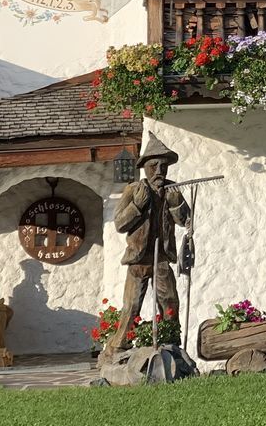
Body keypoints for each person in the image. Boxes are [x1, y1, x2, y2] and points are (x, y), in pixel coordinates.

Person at [100, 133, 188, 362]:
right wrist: (138, 205)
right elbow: (120, 223)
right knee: (132, 305)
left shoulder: (172, 190)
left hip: (162, 258)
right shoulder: (134, 189)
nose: (159, 170)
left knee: (169, 301)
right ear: (145, 167)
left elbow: (186, 221)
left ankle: (172, 342)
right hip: (139, 259)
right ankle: (118, 346)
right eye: (153, 166)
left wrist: (177, 203)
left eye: (163, 166)